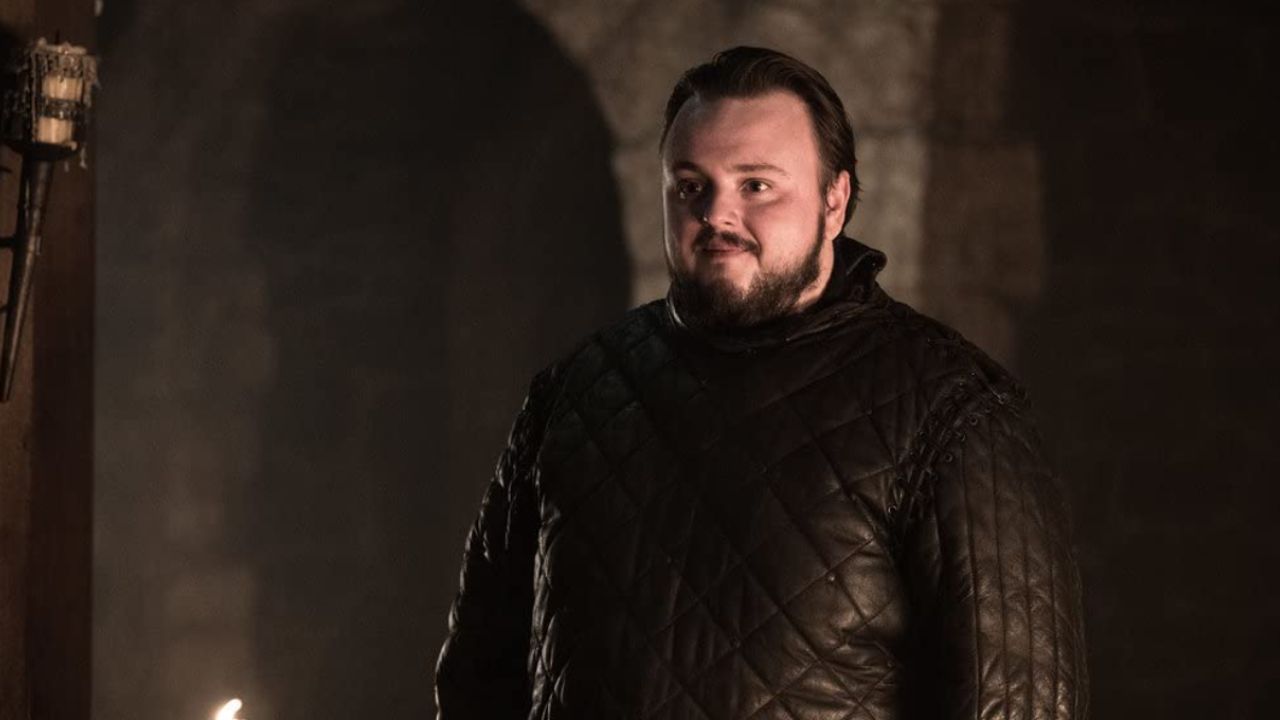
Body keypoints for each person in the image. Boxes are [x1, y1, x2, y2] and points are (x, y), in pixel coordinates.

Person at [434, 46, 1088, 720]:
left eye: (756, 185)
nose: (717, 215)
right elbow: (476, 683)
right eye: (691, 185)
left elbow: (1019, 708)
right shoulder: (572, 395)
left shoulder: (955, 413)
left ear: (835, 201)